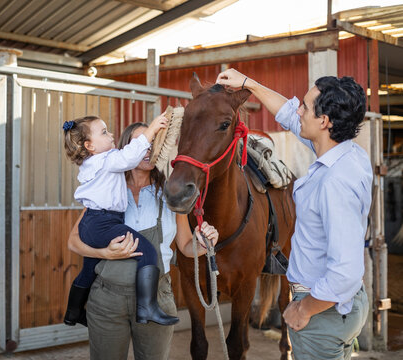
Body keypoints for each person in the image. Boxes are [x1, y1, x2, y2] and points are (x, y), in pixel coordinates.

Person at [217, 69, 372, 359]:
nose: (297, 110)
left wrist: (303, 308)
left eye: (305, 106)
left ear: (324, 122)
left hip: (322, 310)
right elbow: (287, 113)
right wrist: (249, 83)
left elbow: (344, 273)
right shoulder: (346, 153)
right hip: (338, 306)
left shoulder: (335, 181)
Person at [68, 122, 219, 360]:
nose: (148, 149)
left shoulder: (171, 194)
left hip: (157, 297)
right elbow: (73, 241)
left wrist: (205, 242)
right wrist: (105, 254)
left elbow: (187, 247)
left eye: (153, 144)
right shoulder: (106, 191)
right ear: (125, 150)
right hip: (107, 299)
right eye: (142, 143)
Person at [62, 114, 179, 327]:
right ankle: (147, 308)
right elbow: (128, 157)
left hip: (94, 221)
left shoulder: (94, 163)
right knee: (148, 251)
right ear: (90, 145)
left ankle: (73, 312)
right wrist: (152, 128)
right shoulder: (108, 160)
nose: (111, 135)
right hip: (104, 220)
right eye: (104, 132)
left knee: (89, 269)